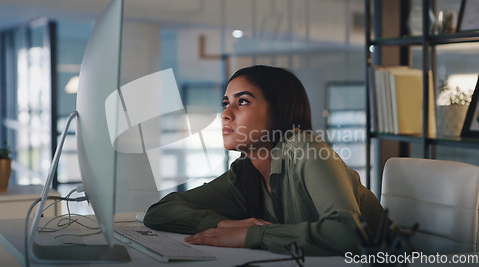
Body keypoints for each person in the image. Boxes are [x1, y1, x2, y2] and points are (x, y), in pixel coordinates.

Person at [143, 65, 386, 255]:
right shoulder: (244, 174)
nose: (226, 114)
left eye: (243, 102)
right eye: (225, 103)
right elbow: (160, 212)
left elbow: (346, 232)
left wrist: (252, 235)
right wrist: (222, 225)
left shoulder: (306, 150)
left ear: (278, 111)